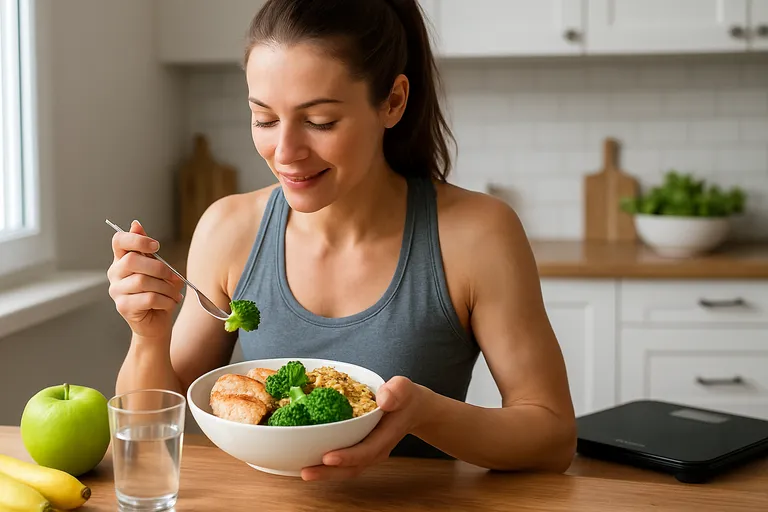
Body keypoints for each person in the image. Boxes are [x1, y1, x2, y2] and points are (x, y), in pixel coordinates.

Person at [108, 0, 576, 481]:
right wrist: (148, 333)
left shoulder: (478, 233)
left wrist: (424, 414)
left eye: (320, 121)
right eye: (264, 119)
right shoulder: (228, 228)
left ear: (392, 101)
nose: (285, 153)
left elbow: (552, 437)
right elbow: (151, 427)